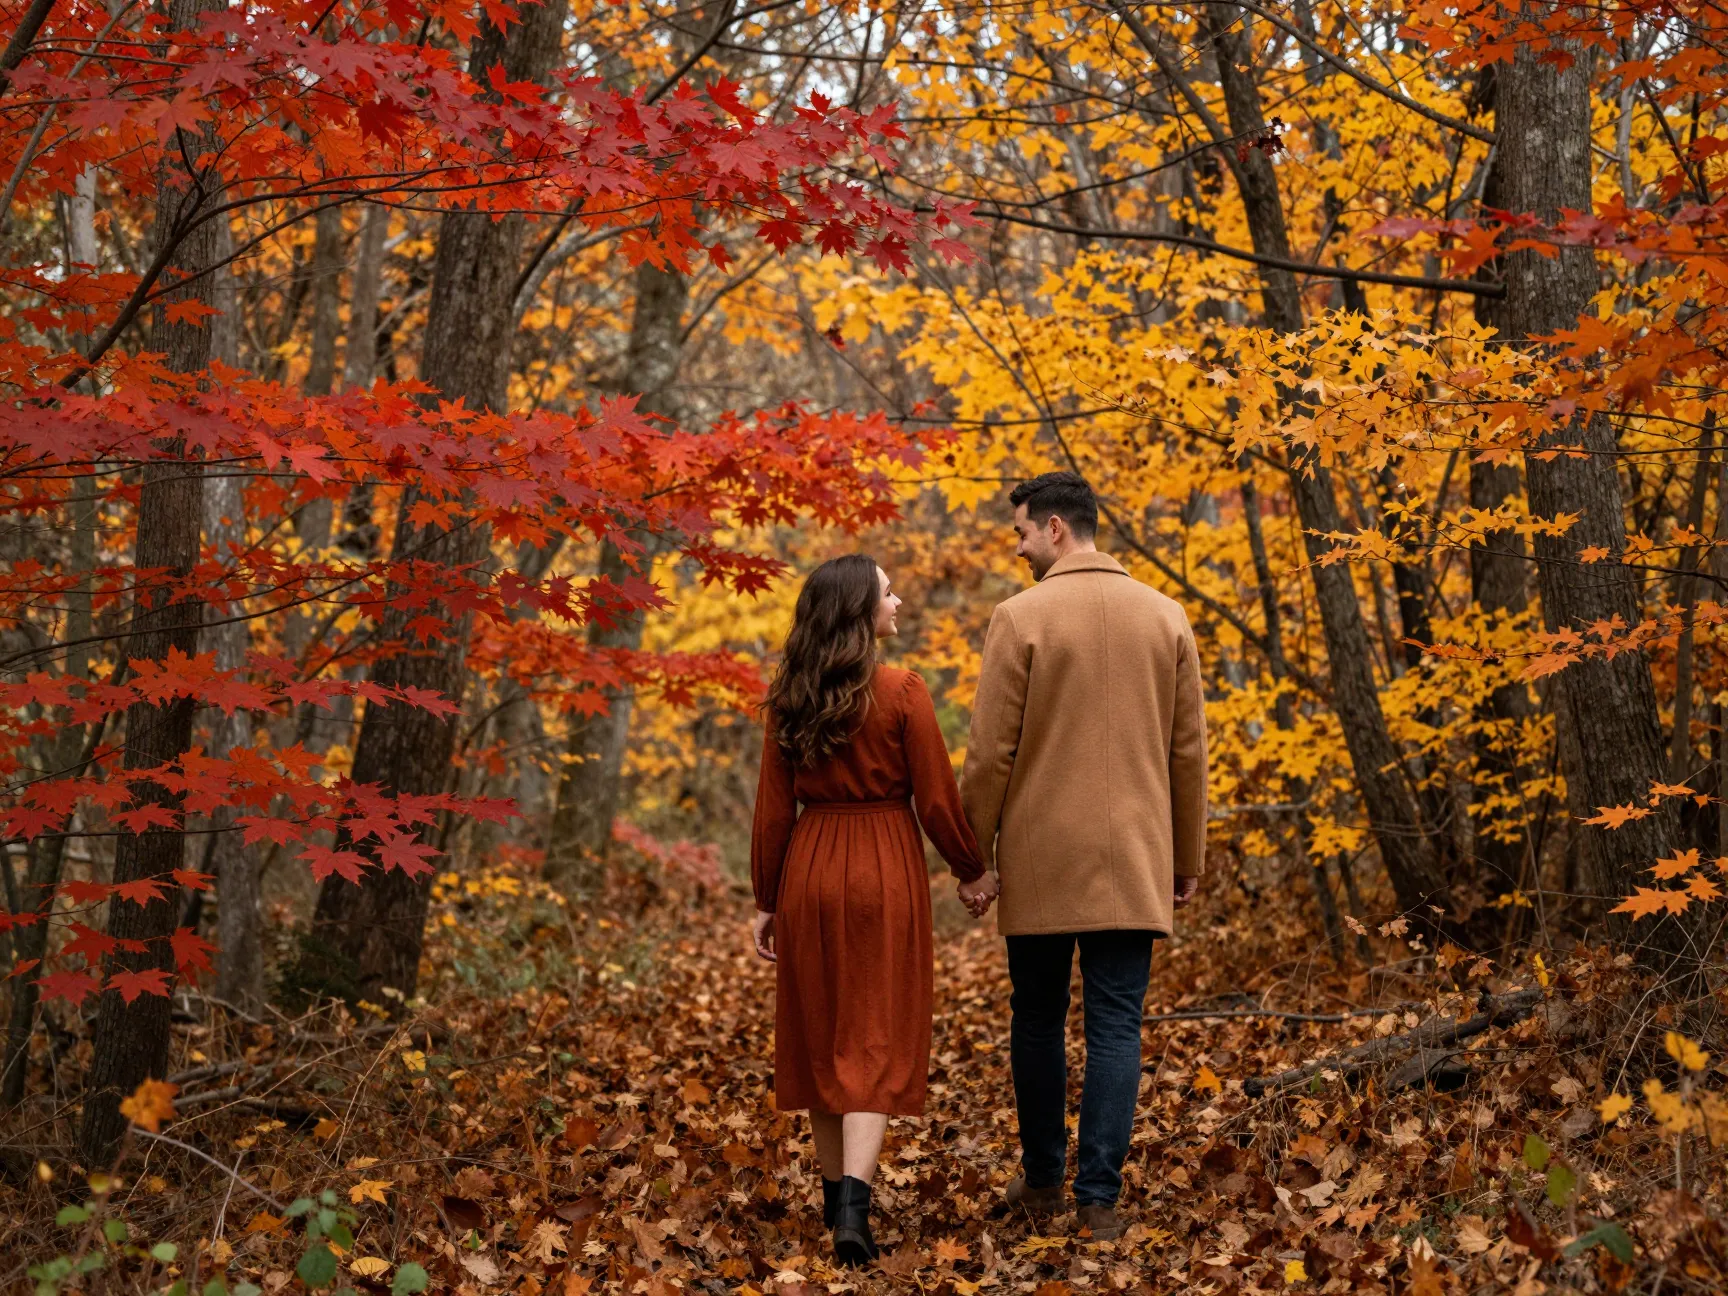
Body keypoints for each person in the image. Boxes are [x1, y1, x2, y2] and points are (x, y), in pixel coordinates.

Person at [961, 471, 1208, 1241]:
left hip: (1041, 851)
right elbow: (1188, 752)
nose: (1021, 547)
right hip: (1135, 851)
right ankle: (1098, 1198)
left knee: (1036, 1018)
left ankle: (1042, 1183)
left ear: (1057, 529)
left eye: (1023, 532)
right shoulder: (1167, 617)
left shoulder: (1019, 617)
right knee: (1116, 1025)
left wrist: (974, 853)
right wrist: (1186, 852)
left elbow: (989, 754)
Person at [751, 554, 996, 1266]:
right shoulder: (902, 692)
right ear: (859, 611)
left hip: (809, 866)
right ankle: (854, 1207)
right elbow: (937, 800)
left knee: (825, 1032)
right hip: (882, 866)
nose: (898, 600)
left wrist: (767, 898)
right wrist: (971, 870)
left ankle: (836, 1206)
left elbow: (772, 813)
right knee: (871, 1035)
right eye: (888, 592)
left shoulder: (791, 696)